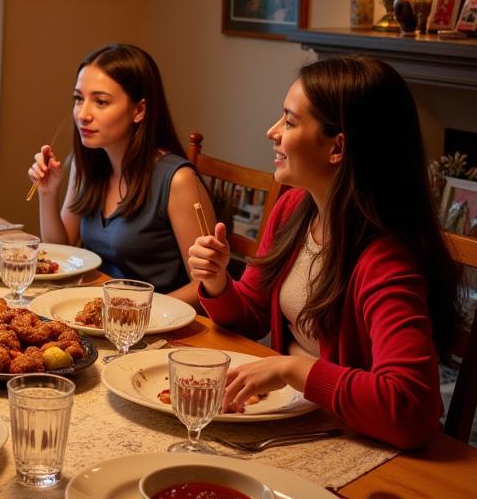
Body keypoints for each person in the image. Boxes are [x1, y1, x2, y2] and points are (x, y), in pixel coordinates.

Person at [188, 55, 458, 450]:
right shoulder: (295, 209)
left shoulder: (385, 260)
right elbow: (250, 316)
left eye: (290, 122)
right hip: (293, 420)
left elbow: (413, 408)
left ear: (338, 148)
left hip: (353, 441)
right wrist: (216, 282)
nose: (272, 132)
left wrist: (296, 368)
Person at [27, 43, 214, 304]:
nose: (83, 114)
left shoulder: (177, 180)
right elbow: (63, 250)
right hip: (95, 307)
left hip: (158, 322)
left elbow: (206, 284)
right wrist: (47, 193)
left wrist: (139, 313)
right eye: (79, 98)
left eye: (101, 102)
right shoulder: (88, 162)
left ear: (139, 110)